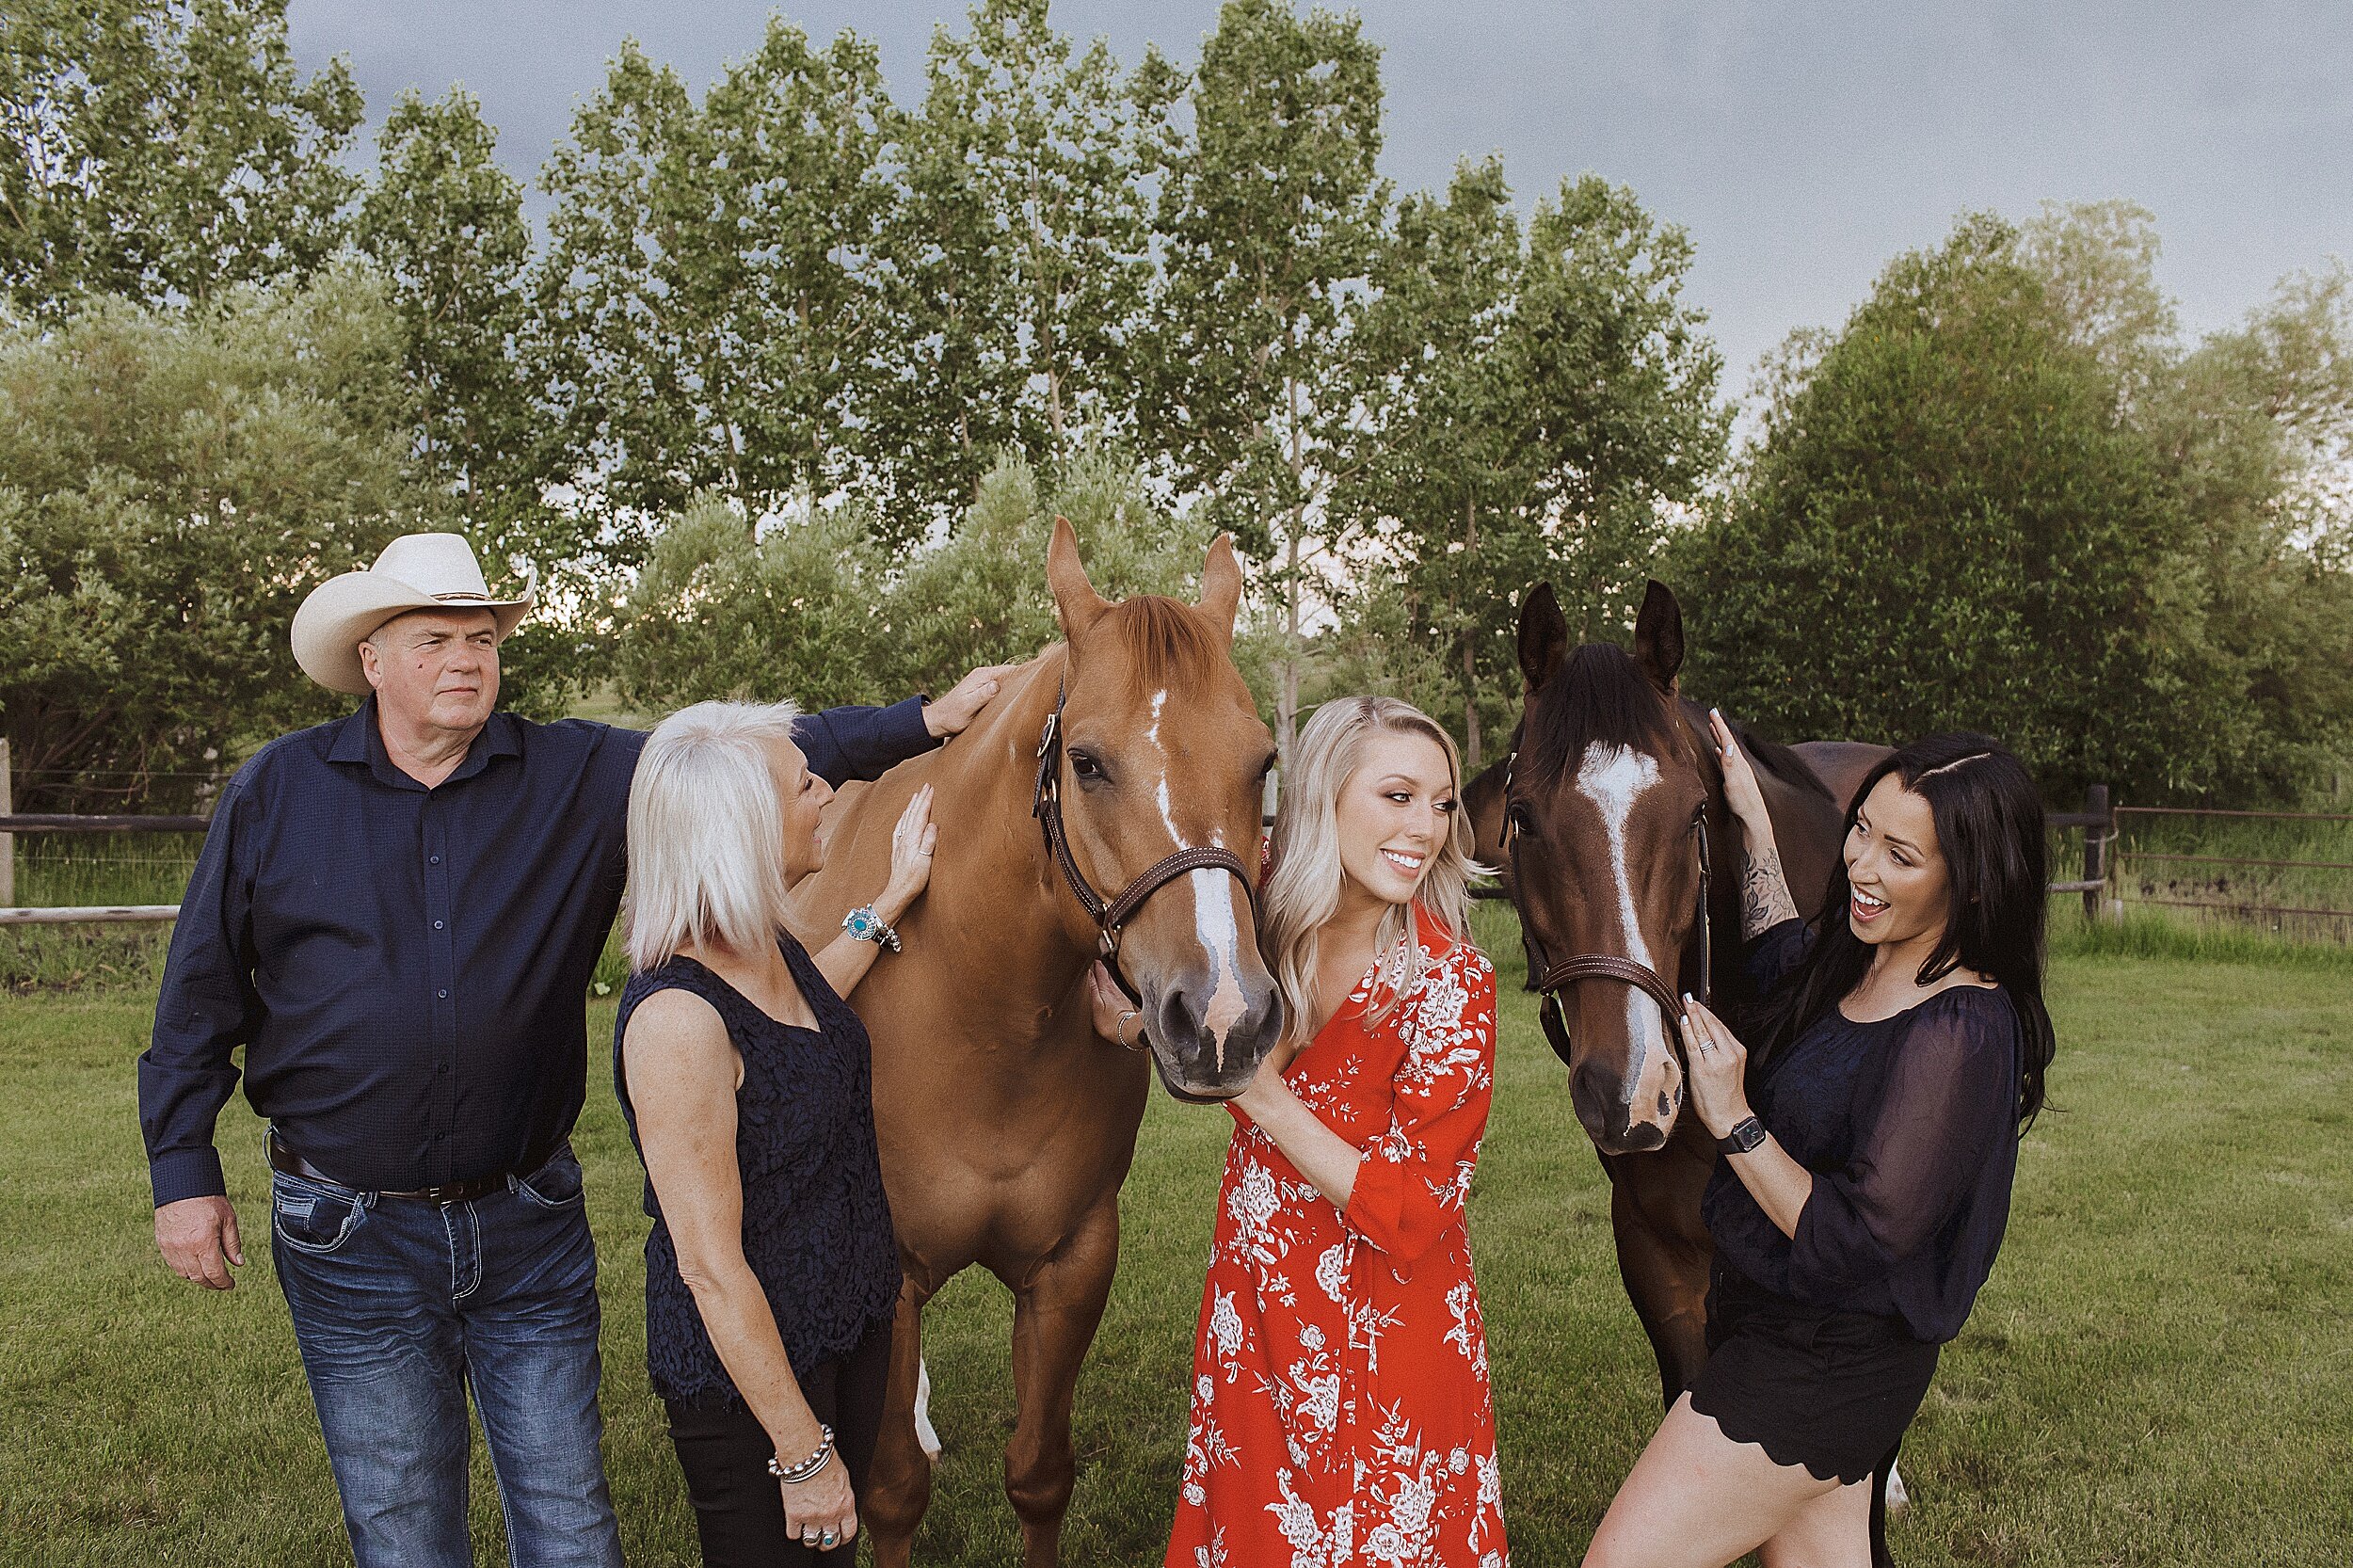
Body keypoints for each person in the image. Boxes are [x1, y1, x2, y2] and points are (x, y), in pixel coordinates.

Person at [136, 531, 1008, 1568]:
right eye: (432, 639)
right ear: (371, 658)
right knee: (403, 1521)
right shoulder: (276, 792)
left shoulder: (576, 772)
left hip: (526, 1220)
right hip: (349, 1226)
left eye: (481, 637)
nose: (464, 658)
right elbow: (198, 991)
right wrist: (182, 1170)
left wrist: (925, 720)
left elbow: (742, 761)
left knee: (569, 1517)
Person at [1583, 725, 2057, 1568]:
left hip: (1827, 1365)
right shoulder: (1858, 959)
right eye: (1861, 829)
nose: (1862, 867)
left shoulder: (1961, 1030)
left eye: (1900, 856)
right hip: (1777, 1332)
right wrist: (1756, 826)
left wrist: (1735, 1123)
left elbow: (1857, 1238)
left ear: (1975, 883)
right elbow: (1776, 960)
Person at [1104, 696, 1511, 1568]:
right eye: (1398, 797)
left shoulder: (1451, 986)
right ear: (1324, 797)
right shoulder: (1262, 934)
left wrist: (1262, 1095)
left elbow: (1412, 1210)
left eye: (1441, 804)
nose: (1428, 828)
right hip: (1257, 1312)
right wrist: (1140, 1019)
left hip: (1385, 1333)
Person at [614, 700, 931, 1564]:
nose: (827, 792)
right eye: (804, 785)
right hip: (756, 1384)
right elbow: (710, 1269)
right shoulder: (676, 1020)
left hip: (845, 1321)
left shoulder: (768, 951)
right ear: (741, 828)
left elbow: (798, 1028)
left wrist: (890, 900)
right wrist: (800, 1452)